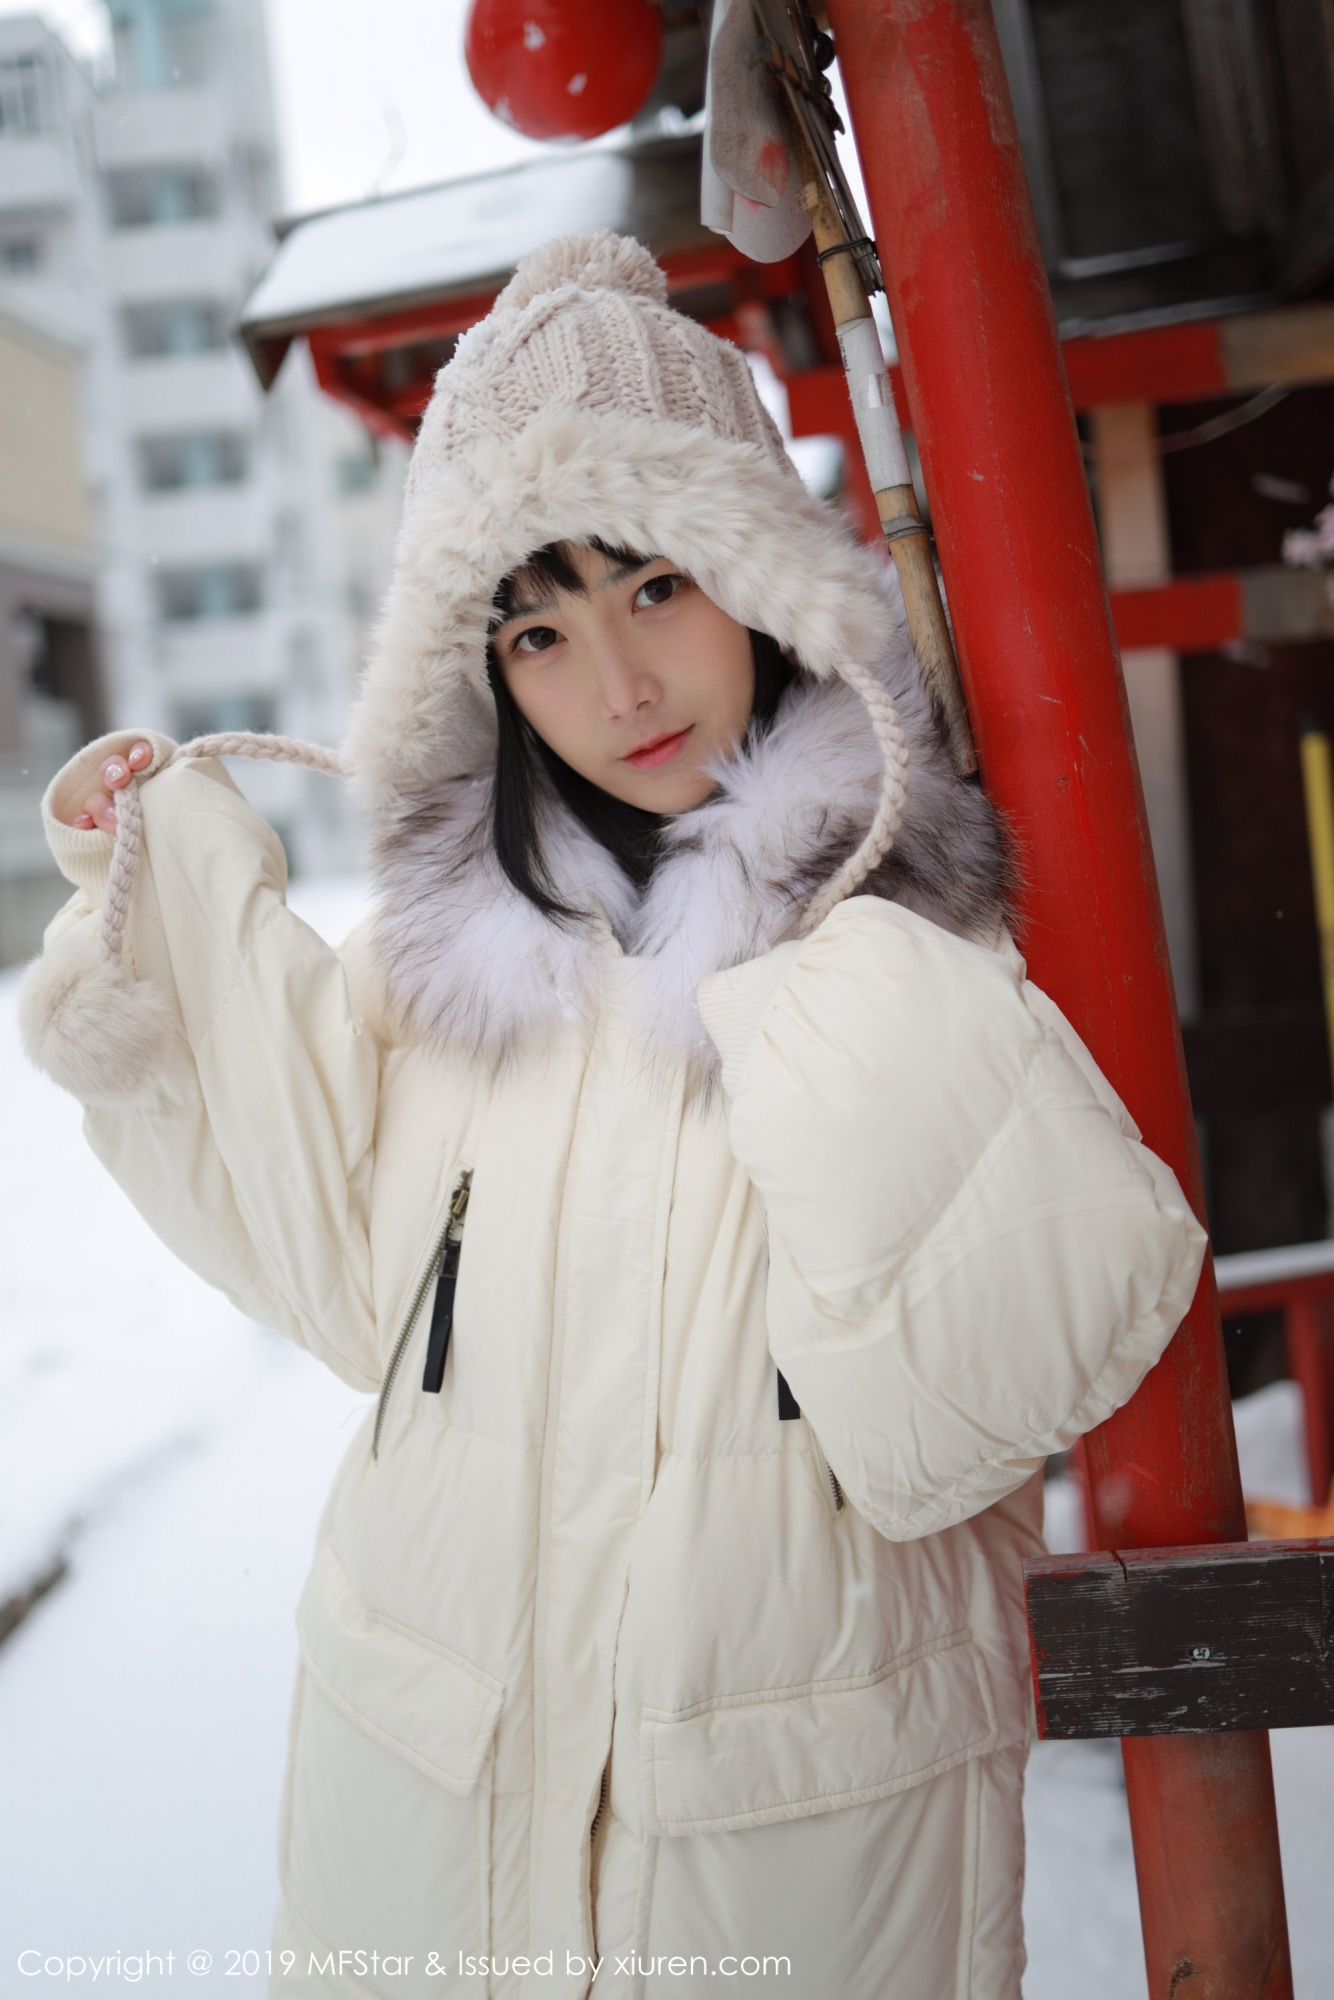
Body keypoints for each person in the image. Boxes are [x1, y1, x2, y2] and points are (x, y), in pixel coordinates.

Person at [22, 231, 1205, 2000]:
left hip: (782, 1834)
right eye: (538, 631)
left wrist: (818, 981)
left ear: (758, 582)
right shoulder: (448, 978)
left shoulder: (895, 947)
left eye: (655, 587)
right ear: (482, 676)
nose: (617, 689)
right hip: (426, 1792)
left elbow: (992, 1384)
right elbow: (325, 1262)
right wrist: (171, 908)